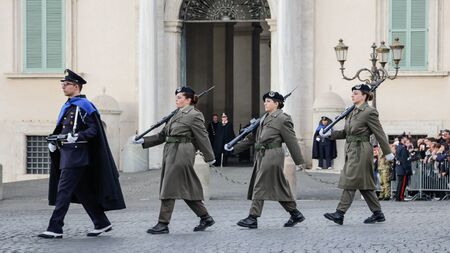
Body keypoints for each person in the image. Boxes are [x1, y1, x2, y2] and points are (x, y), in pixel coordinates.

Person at [38, 69, 126, 239]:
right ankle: (101, 223)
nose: (63, 87)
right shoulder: (69, 106)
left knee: (63, 191)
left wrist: (77, 136)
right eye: (62, 84)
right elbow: (64, 130)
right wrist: (55, 141)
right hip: (68, 155)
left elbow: (94, 129)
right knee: (83, 191)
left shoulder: (84, 107)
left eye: (66, 84)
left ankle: (55, 227)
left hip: (77, 157)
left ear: (76, 86)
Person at [133, 86, 216, 234]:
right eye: (176, 97)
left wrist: (209, 157)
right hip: (171, 153)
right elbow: (163, 135)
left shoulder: (194, 115)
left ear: (189, 99)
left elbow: (202, 136)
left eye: (180, 97)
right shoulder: (174, 115)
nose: (176, 100)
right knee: (186, 188)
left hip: (183, 153)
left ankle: (163, 223)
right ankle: (205, 217)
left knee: (169, 187)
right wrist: (144, 141)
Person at [229, 91, 305, 229]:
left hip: (273, 155)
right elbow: (253, 138)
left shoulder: (283, 118)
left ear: (277, 103)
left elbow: (291, 140)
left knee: (259, 185)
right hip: (262, 155)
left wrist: (299, 160)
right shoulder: (264, 118)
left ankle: (253, 217)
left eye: (269, 101)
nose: (265, 103)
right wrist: (234, 149)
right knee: (279, 187)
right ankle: (295, 214)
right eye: (265, 101)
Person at [320, 83, 394, 225]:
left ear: (364, 95)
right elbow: (346, 132)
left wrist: (387, 152)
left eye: (356, 93)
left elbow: (379, 132)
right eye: (352, 93)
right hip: (351, 150)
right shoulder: (352, 111)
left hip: (361, 150)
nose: (352, 95)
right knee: (364, 185)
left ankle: (339, 213)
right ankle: (378, 214)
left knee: (351, 180)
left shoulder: (369, 112)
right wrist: (330, 133)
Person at [395, 135, 412, 201]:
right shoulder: (402, 148)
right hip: (403, 169)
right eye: (405, 138)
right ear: (402, 139)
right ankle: (400, 196)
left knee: (400, 183)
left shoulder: (399, 147)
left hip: (400, 168)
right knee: (402, 184)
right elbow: (404, 160)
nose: (406, 139)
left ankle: (398, 196)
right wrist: (407, 169)